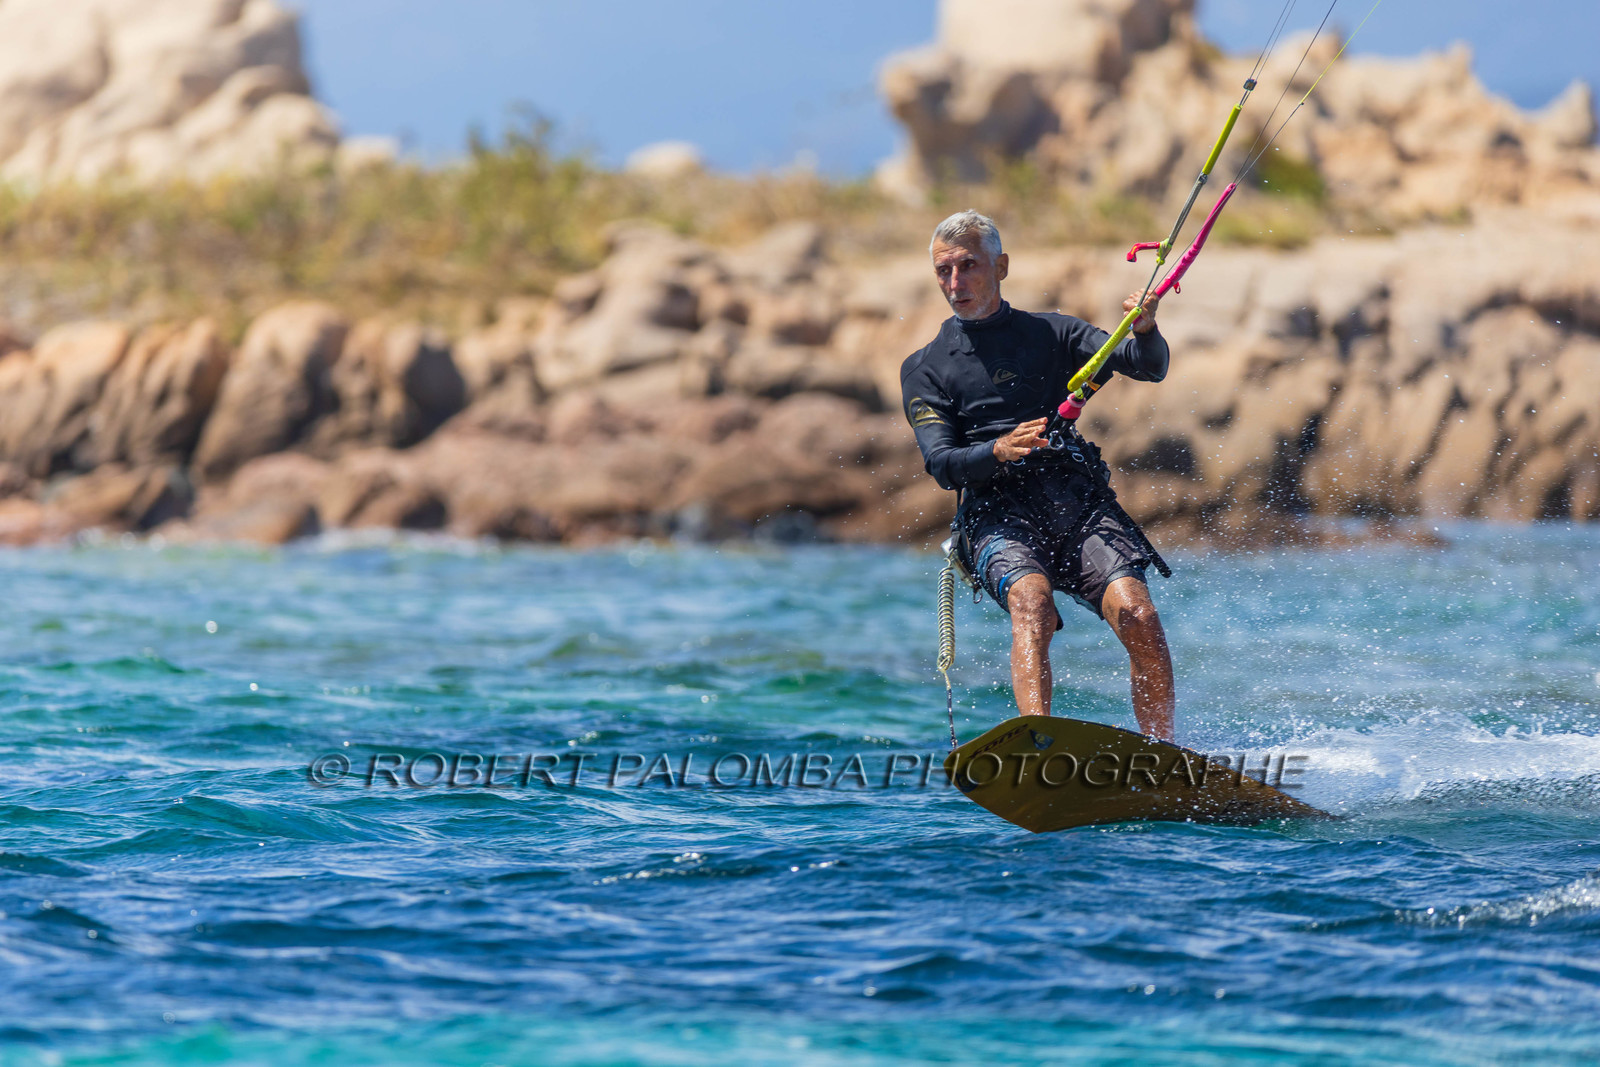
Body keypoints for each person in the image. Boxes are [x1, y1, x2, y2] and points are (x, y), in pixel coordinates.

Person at [901, 209, 1176, 741]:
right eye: (943, 271)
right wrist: (998, 449)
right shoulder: (927, 367)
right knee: (1032, 603)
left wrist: (1145, 330)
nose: (955, 283)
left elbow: (1146, 364)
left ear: (1000, 266)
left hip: (1075, 501)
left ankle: (1165, 751)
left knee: (1139, 615)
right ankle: (1039, 746)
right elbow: (940, 464)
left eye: (968, 266)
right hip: (994, 515)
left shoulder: (1055, 332)